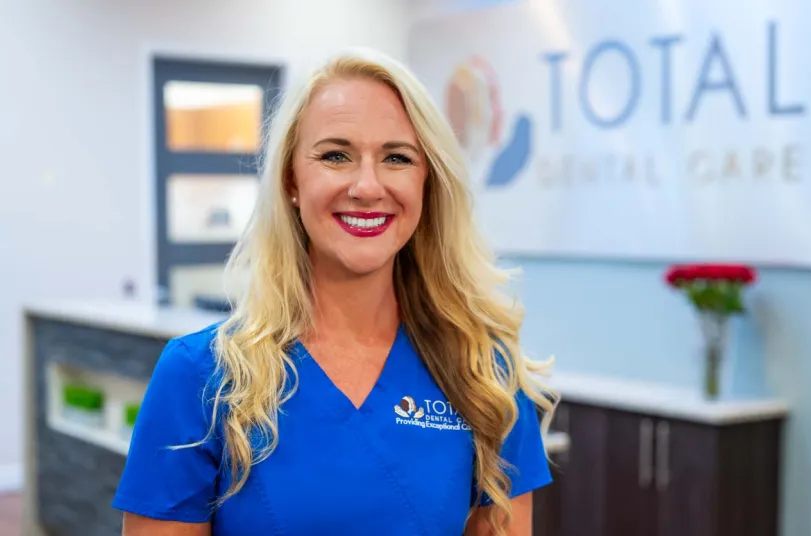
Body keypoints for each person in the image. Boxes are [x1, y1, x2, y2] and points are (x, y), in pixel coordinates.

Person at [112, 48, 556, 536]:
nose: (367, 186)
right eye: (335, 156)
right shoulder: (202, 377)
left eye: (397, 158)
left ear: (426, 182)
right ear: (291, 180)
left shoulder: (484, 374)